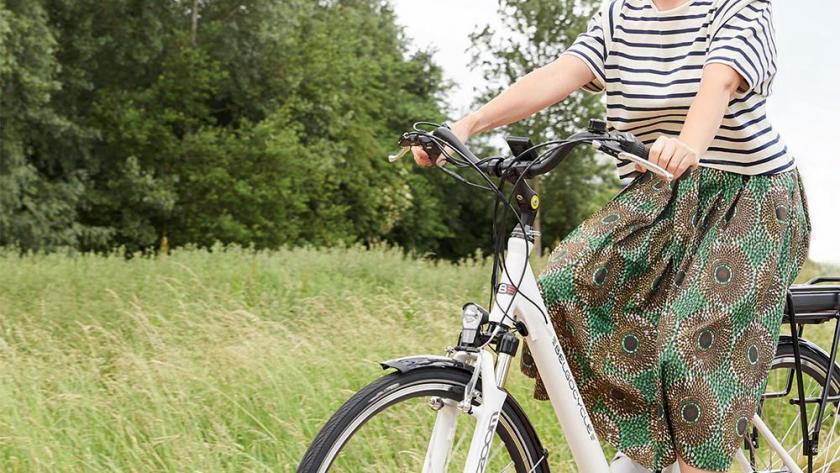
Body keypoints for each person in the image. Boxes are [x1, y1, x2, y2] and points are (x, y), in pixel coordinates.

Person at [411, 0, 811, 472]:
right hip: (662, 192)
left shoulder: (738, 7)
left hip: (750, 200)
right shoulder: (621, 13)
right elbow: (562, 72)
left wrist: (688, 143)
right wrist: (467, 126)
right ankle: (648, 443)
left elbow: (719, 82)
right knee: (560, 289)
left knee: (691, 351)